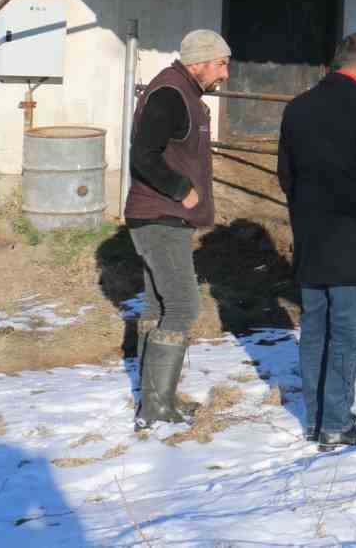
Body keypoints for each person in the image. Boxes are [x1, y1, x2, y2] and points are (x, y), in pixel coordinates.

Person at [278, 32, 356, 450]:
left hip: (312, 238)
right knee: (346, 335)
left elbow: (285, 177)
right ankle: (335, 424)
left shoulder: (298, 108)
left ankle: (317, 421)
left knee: (315, 331)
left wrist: (306, 216)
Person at [126, 29, 231, 430]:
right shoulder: (170, 94)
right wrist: (180, 188)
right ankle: (155, 406)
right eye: (221, 64)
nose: (224, 73)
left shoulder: (182, 93)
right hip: (160, 216)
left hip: (164, 217)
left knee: (158, 306)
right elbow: (143, 154)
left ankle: (157, 401)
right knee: (184, 305)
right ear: (199, 62)